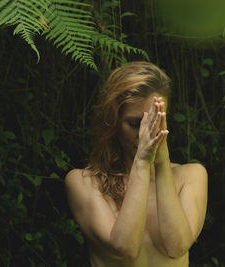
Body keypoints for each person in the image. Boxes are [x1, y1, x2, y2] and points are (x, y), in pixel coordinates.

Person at [65, 61, 208, 267]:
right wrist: (141, 161)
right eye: (135, 124)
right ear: (112, 122)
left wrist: (160, 163)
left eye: (154, 121)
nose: (145, 134)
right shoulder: (84, 182)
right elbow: (126, 247)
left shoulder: (191, 176)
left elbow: (176, 246)